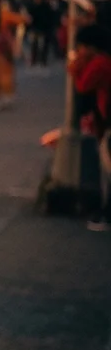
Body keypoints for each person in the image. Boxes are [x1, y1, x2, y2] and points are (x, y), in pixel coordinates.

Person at [68, 24, 111, 231]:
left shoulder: (100, 63)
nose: (80, 51)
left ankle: (107, 214)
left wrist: (75, 67)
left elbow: (83, 85)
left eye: (82, 47)